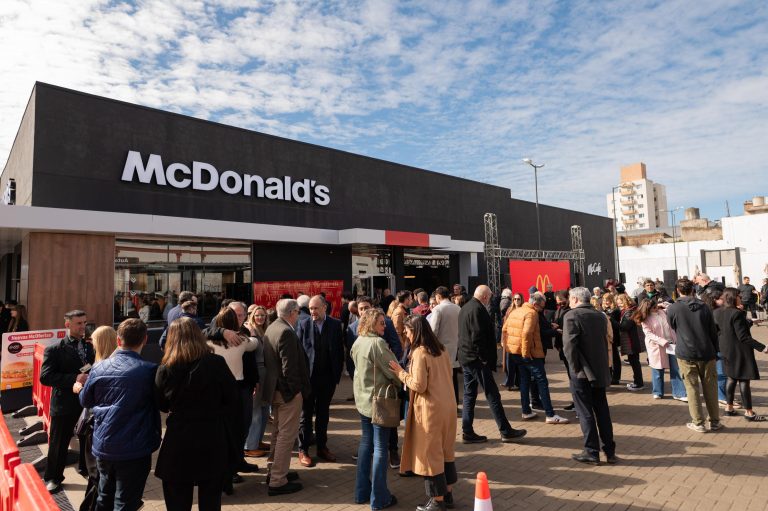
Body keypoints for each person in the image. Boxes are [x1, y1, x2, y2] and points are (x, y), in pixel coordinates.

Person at [155, 317, 239, 510]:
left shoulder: (165, 369)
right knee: (211, 499)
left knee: (177, 499)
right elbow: (232, 398)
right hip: (212, 437)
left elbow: (161, 404)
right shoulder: (216, 363)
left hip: (179, 439)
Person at [79, 319, 161, 511]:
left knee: (104, 495)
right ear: (145, 340)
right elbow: (161, 403)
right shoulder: (149, 370)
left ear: (118, 341)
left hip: (105, 443)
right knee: (126, 500)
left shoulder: (99, 367)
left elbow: (85, 400)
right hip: (135, 447)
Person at [388, 315, 457, 511]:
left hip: (430, 409)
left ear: (416, 331)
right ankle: (448, 495)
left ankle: (437, 501)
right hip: (448, 406)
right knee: (446, 452)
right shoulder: (441, 349)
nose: (405, 334)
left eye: (408, 331)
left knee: (431, 455)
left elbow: (419, 384)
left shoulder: (420, 353)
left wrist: (400, 372)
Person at [458, 285, 526, 444]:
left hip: (467, 358)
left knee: (470, 394)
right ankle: (505, 430)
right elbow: (477, 337)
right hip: (475, 360)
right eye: (489, 296)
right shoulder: (476, 310)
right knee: (492, 394)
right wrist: (483, 359)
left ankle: (467, 431)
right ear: (484, 297)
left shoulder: (466, 307)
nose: (490, 299)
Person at [40, 309, 96, 493]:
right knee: (59, 443)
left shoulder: (89, 347)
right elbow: (46, 377)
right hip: (64, 404)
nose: (83, 327)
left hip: (85, 402)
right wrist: (74, 378)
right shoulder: (54, 349)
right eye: (79, 323)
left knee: (86, 438)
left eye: (85, 323)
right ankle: (53, 477)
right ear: (67, 324)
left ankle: (85, 469)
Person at [562, 287, 617, 465]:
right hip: (599, 370)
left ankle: (592, 451)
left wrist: (574, 368)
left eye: (571, 298)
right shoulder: (599, 316)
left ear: (576, 300)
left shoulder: (571, 316)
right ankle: (609, 451)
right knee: (602, 410)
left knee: (585, 411)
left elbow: (569, 347)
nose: (569, 301)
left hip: (582, 372)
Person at [351, 309, 399, 510]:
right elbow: (393, 369)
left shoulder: (359, 341)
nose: (384, 326)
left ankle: (362, 492)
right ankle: (379, 498)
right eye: (381, 323)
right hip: (378, 402)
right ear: (371, 323)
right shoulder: (377, 343)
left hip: (363, 400)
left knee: (366, 445)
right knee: (380, 448)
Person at [261, 299, 310, 496]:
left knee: (278, 433)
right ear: (292, 312)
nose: (299, 315)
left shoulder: (272, 327)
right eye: (297, 312)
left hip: (276, 390)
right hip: (286, 392)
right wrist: (294, 391)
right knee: (286, 436)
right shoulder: (286, 332)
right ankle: (278, 480)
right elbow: (288, 367)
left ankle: (274, 472)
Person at [206, 308, 259, 483]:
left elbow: (199, 334)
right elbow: (255, 344)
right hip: (235, 389)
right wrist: (250, 333)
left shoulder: (207, 342)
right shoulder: (242, 340)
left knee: (224, 432)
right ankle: (231, 468)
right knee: (236, 429)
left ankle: (229, 468)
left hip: (216, 391)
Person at [503, 293, 569, 424]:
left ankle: (526, 411)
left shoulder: (516, 311)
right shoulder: (531, 313)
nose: (541, 310)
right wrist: (525, 353)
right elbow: (526, 333)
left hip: (516, 353)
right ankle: (550, 414)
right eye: (541, 307)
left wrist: (511, 349)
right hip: (530, 354)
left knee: (524, 381)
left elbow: (505, 330)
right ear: (535, 304)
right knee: (542, 382)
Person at [667, 278, 722, 433]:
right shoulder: (704, 306)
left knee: (692, 388)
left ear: (678, 290)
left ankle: (698, 422)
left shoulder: (673, 308)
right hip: (706, 352)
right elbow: (713, 331)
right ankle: (715, 421)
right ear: (692, 289)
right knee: (710, 388)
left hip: (685, 352)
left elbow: (673, 326)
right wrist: (715, 350)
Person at [295, 295, 345, 466]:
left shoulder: (335, 324)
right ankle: (303, 450)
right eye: (310, 308)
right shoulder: (302, 324)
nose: (312, 312)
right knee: (305, 415)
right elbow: (299, 352)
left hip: (327, 378)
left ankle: (322, 447)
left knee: (323, 414)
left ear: (325, 307)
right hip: (308, 379)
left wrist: (336, 375)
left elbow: (339, 350)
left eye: (316, 308)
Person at [76, 326, 118, 511]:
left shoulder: (101, 368)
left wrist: (80, 388)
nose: (91, 344)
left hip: (98, 431)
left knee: (98, 479)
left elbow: (88, 400)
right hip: (105, 433)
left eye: (94, 341)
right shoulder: (108, 363)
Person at [714, 288, 768, 420]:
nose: (740, 297)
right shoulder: (736, 313)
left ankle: (729, 407)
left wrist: (747, 320)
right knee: (744, 380)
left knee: (731, 378)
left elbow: (726, 329)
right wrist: (763, 347)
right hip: (739, 351)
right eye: (739, 295)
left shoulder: (717, 312)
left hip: (726, 350)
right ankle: (749, 413)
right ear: (733, 297)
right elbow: (743, 337)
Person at [634, 300, 687, 402]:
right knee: (657, 369)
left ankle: (679, 393)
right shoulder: (645, 319)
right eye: (653, 307)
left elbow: (672, 307)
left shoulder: (663, 312)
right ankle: (657, 391)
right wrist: (662, 341)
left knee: (676, 369)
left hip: (671, 344)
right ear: (648, 309)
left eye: (656, 306)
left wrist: (662, 304)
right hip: (657, 346)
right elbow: (648, 334)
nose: (656, 309)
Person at [244, 306, 271, 457]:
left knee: (264, 410)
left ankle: (257, 440)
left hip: (265, 373)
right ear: (252, 316)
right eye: (257, 315)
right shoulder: (248, 330)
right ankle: (249, 446)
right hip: (256, 374)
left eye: (263, 315)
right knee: (255, 411)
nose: (260, 318)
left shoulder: (265, 330)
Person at [427, 286, 461, 407]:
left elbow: (433, 330)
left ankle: (445, 405)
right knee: (454, 378)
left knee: (442, 379)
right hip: (455, 348)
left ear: (438, 296)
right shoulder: (458, 308)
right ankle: (455, 403)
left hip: (441, 349)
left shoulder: (438, 309)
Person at [616, 294, 645, 391]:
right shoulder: (631, 310)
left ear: (625, 302)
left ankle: (638, 383)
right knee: (634, 362)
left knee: (634, 362)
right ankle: (637, 381)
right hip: (633, 340)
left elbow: (624, 327)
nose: (618, 304)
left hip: (632, 341)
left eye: (620, 302)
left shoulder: (629, 312)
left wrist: (612, 320)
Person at [501, 293, 524, 391]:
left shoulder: (523, 310)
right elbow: (504, 326)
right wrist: (502, 339)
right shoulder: (509, 310)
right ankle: (509, 382)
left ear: (522, 300)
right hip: (509, 340)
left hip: (519, 341)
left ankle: (517, 383)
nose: (516, 301)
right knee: (508, 363)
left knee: (518, 363)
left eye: (518, 299)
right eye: (514, 299)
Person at [601, 294, 622, 385]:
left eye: (608, 300)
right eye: (604, 300)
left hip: (614, 336)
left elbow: (617, 324)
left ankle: (616, 377)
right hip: (606, 336)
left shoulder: (616, 310)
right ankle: (609, 375)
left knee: (615, 357)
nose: (606, 302)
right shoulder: (604, 310)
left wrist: (609, 318)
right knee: (608, 357)